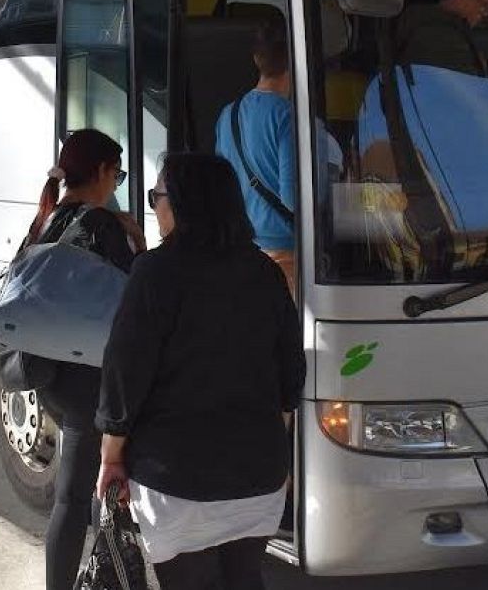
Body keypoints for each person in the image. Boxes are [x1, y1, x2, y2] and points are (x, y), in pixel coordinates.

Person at [94, 153, 304, 590]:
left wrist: (111, 456)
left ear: (183, 202)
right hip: (258, 476)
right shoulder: (264, 271)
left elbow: (124, 373)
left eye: (157, 196)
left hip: (177, 479)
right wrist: (270, 443)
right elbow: (291, 375)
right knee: (245, 578)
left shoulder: (155, 272)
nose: (154, 206)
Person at [25, 128, 146, 590]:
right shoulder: (101, 224)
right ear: (100, 172)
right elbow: (134, 295)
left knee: (73, 497)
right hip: (92, 377)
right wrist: (136, 236)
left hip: (54, 376)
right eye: (117, 174)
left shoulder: (48, 218)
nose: (116, 184)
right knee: (86, 496)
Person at [216, 12, 298, 289]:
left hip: (243, 251)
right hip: (285, 255)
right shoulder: (287, 117)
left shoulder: (228, 114)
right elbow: (292, 198)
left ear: (256, 60)